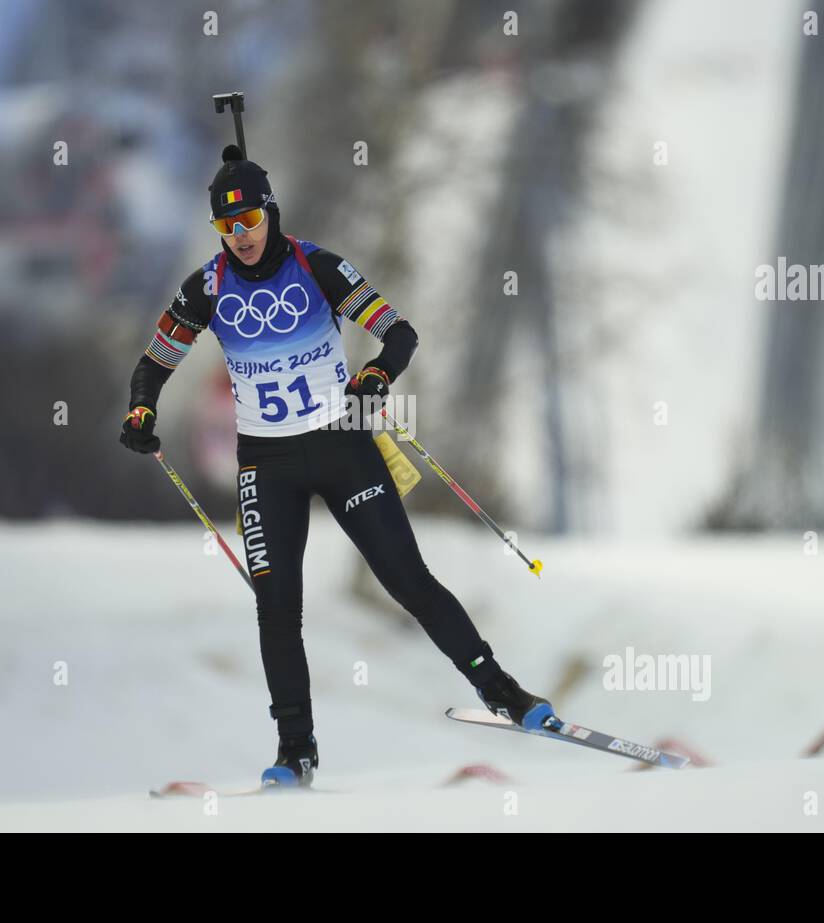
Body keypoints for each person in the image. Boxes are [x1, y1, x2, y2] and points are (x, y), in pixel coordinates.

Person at [120, 144, 550, 787]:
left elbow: (399, 331)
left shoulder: (316, 266)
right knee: (275, 607)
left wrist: (378, 373)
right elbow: (154, 364)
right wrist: (140, 412)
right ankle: (296, 750)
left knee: (407, 580)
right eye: (226, 227)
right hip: (265, 463)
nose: (240, 237)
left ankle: (503, 692)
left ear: (270, 212)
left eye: (250, 222)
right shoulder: (206, 288)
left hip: (342, 444)